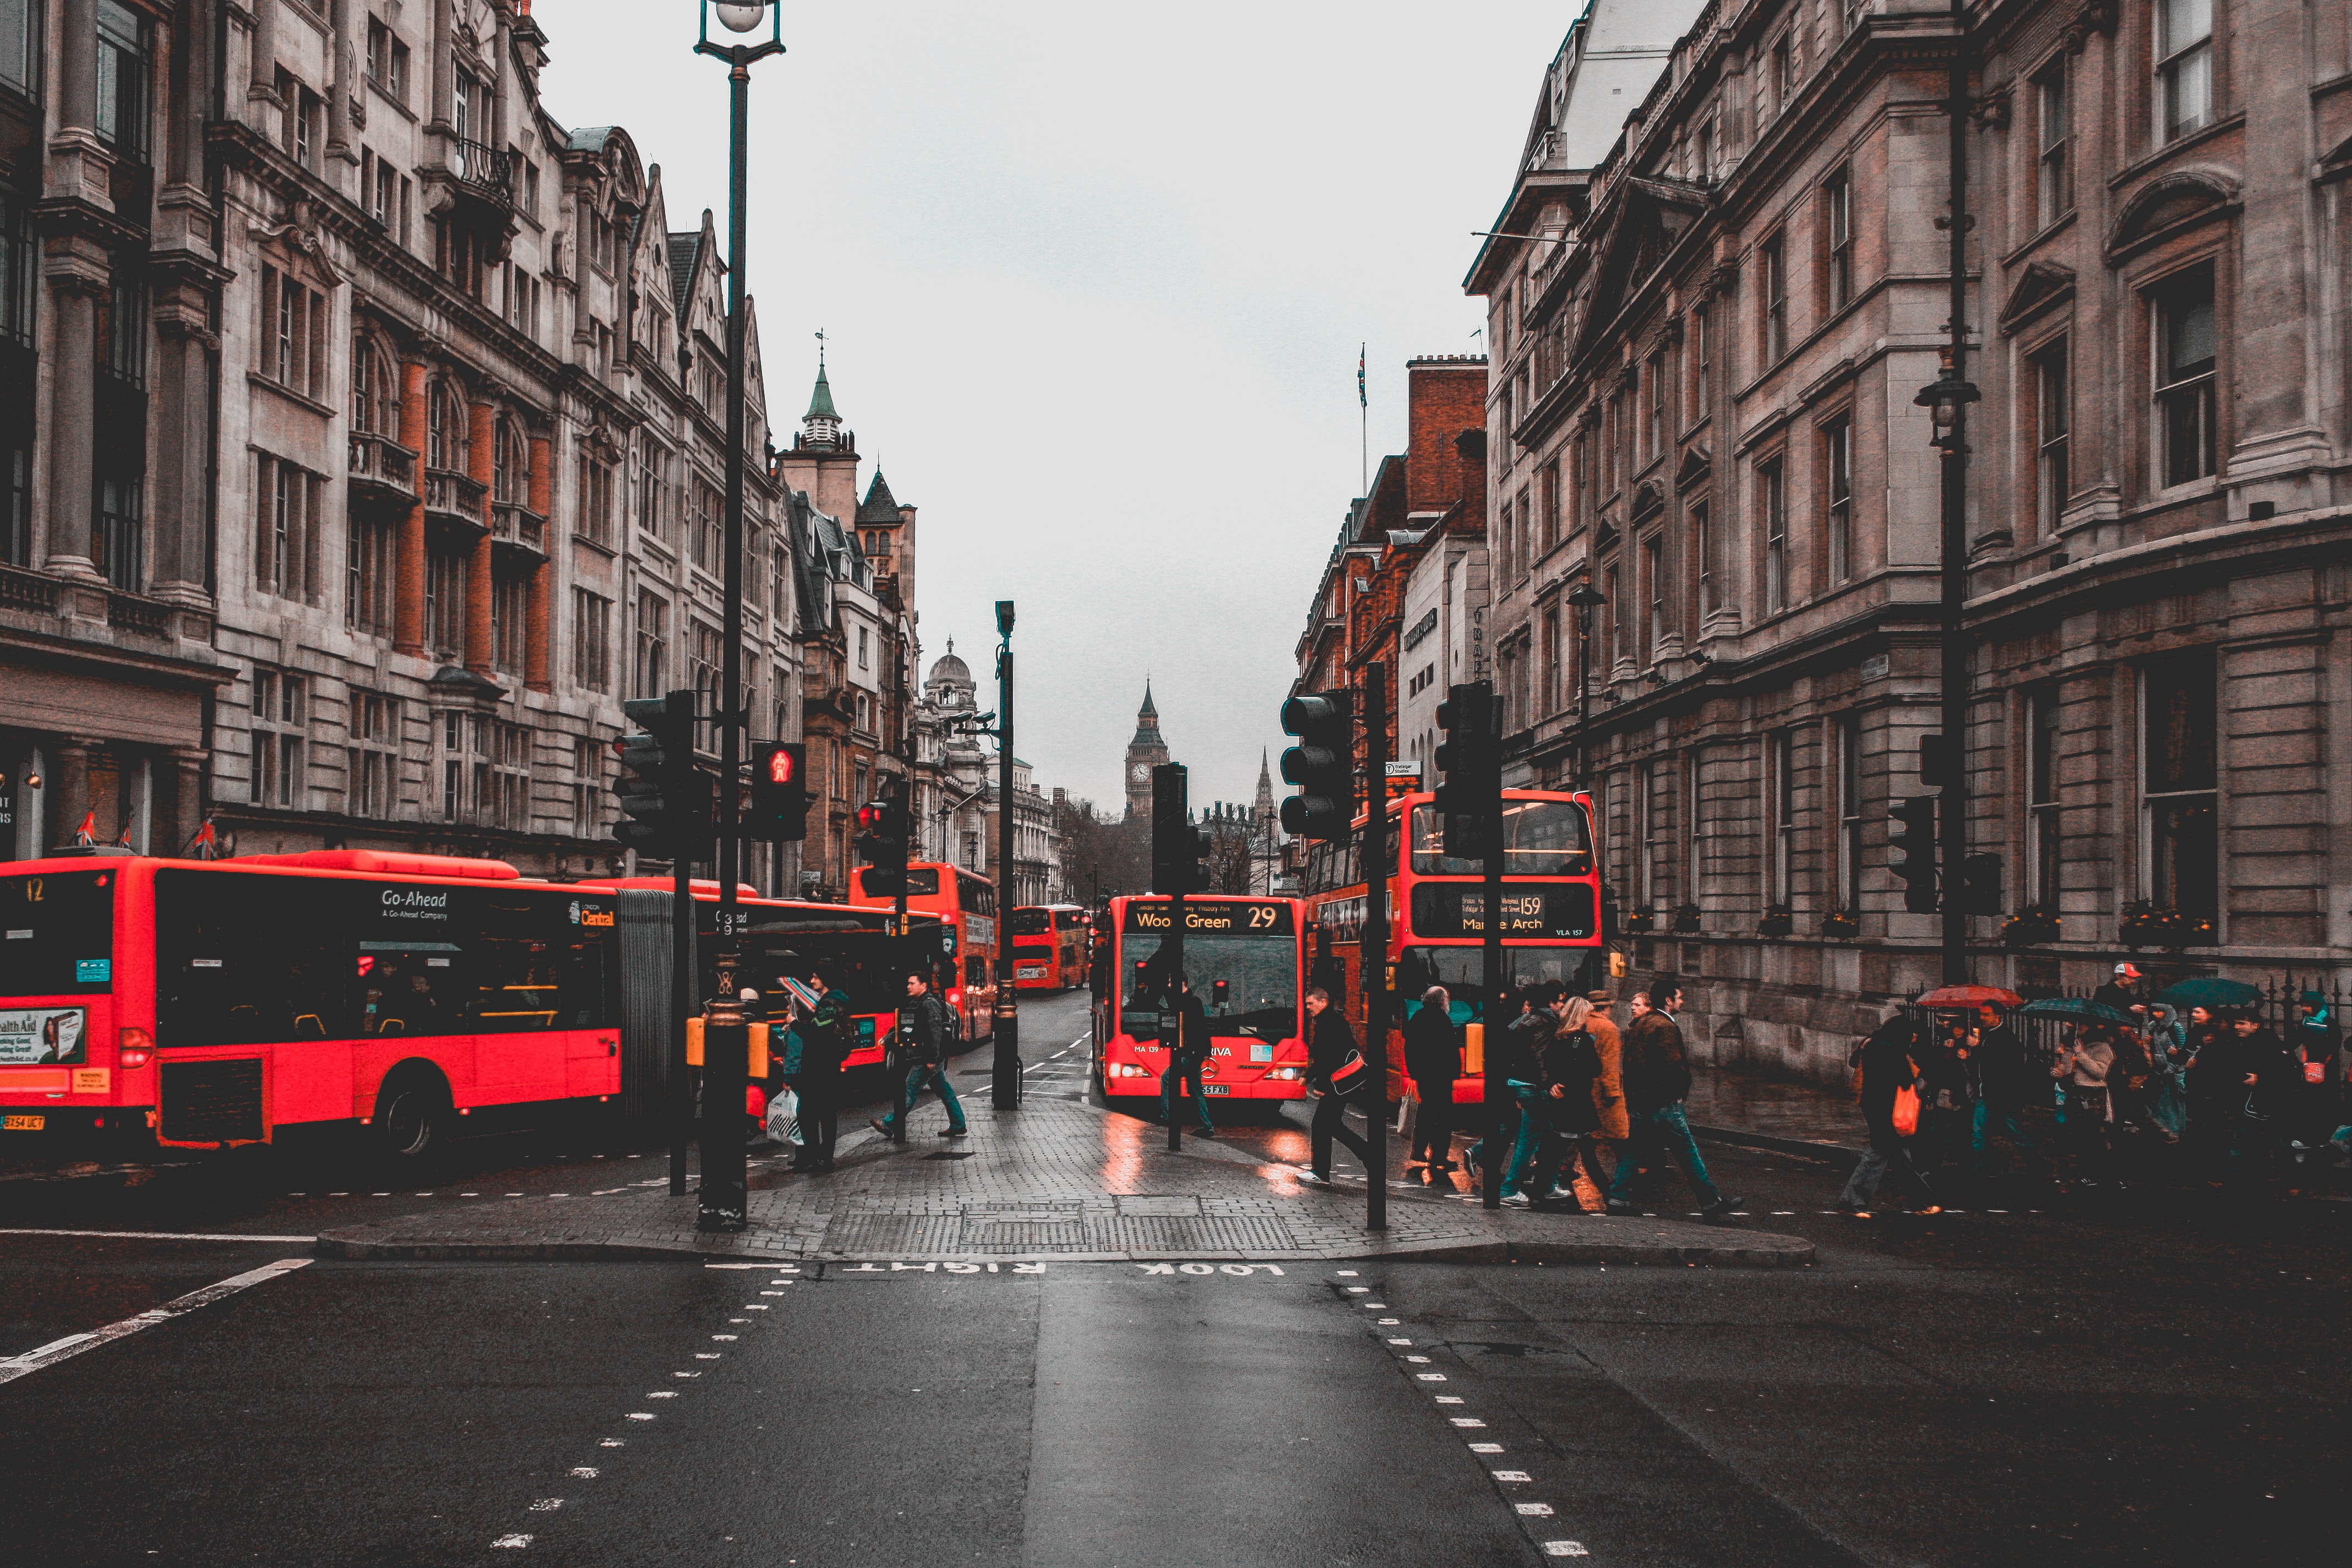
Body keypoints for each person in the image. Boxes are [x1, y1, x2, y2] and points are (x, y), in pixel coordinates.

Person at [1605, 977, 1738, 1217]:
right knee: (1687, 1152)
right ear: (1668, 1001)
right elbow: (1673, 1066)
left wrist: (1633, 1098)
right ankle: (1710, 1202)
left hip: (1641, 1102)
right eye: (1679, 997)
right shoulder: (1665, 1027)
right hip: (1663, 1103)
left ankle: (1617, 1198)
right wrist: (1678, 1094)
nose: (1682, 1000)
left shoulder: (1637, 1025)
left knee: (1634, 1152)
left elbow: (1631, 1066)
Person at [1838, 1017, 1941, 1215]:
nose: (1914, 1037)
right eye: (1912, 1033)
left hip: (1872, 1104)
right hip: (1890, 1108)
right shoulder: (1895, 1050)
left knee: (1899, 1154)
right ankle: (1851, 1202)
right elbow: (1905, 1082)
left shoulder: (1871, 1044)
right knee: (1878, 1153)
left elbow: (1854, 1063)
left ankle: (1924, 1202)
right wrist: (1922, 1075)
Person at [873, 971, 967, 1142]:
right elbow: (905, 1024)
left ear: (923, 985)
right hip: (927, 1057)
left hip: (927, 1058)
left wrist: (932, 1059)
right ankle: (958, 1124)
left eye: (912, 983)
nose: (908, 986)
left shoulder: (929, 1004)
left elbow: (935, 1032)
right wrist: (887, 1038)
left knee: (909, 1089)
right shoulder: (917, 1003)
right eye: (908, 983)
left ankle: (890, 1124)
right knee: (946, 1092)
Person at [1538, 994, 1609, 1209]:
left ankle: (1539, 1192)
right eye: (1587, 1014)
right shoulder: (1583, 1040)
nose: (1589, 1018)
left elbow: (1547, 1064)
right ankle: (1610, 1196)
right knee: (1582, 1153)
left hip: (1563, 1103)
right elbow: (1595, 1069)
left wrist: (1553, 1083)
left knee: (1558, 1151)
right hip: (1577, 1104)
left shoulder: (1557, 1038)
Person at [1499, 982, 1565, 1207]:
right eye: (1560, 1001)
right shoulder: (1544, 1023)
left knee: (1545, 1139)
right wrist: (1549, 1084)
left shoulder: (1525, 1020)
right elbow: (1540, 1057)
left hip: (1523, 1084)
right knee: (1529, 1142)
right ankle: (1509, 1190)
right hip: (1535, 1087)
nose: (1562, 1005)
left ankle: (1547, 1184)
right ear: (1551, 1002)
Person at [1298, 984, 1370, 1186]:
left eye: (1311, 1004)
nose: (1308, 1007)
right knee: (1332, 1125)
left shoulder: (1328, 1023)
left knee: (1321, 1124)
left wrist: (1322, 1085)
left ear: (1324, 1002)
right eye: (1307, 1004)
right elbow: (1325, 1057)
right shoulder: (1330, 1021)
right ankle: (1369, 1156)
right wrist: (1310, 1076)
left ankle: (1321, 1172)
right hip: (1341, 1082)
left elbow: (1329, 1059)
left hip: (1337, 1084)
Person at [1969, 1004, 2046, 1181]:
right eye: (1981, 1014)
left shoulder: (2006, 1038)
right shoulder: (1986, 1034)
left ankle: (2038, 1164)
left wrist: (1977, 1048)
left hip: (2004, 1096)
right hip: (1986, 1094)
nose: (1982, 1017)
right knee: (1977, 1132)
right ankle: (1979, 1171)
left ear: (1997, 1016)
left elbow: (2001, 1066)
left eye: (1986, 1014)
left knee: (2015, 1132)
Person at [788, 965, 852, 1170]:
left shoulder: (829, 1004)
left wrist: (794, 1024)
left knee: (809, 1114)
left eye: (816, 977)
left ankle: (818, 1158)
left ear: (826, 979)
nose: (812, 981)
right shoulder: (836, 1001)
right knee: (826, 1112)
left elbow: (817, 1035)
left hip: (819, 1066)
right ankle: (823, 1156)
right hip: (829, 1063)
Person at [2230, 1010, 2299, 1192]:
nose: (2237, 1027)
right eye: (2236, 1023)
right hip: (2251, 1103)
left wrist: (2260, 1079)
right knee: (2248, 1141)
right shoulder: (2241, 1043)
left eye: (2242, 1023)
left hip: (2272, 1102)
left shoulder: (2267, 1044)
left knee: (2278, 1142)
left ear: (2255, 1025)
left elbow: (2287, 1074)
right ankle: (2247, 1181)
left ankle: (2291, 1183)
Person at [1402, 985, 1460, 1175]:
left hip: (1424, 1075)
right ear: (1442, 1002)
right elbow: (1449, 1050)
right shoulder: (1443, 1020)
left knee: (1426, 1112)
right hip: (1440, 1076)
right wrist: (1455, 1071)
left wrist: (1415, 1072)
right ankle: (1439, 1156)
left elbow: (1409, 1048)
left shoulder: (1418, 1018)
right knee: (1444, 1117)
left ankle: (1418, 1151)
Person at [2052, 1026, 2117, 1189]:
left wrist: (2080, 1053)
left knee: (2095, 1137)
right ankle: (2073, 1176)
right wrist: (2059, 1071)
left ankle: (2105, 1176)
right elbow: (2068, 1070)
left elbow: (2099, 1072)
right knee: (2074, 1137)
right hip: (2075, 1095)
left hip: (2093, 1096)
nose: (2078, 1029)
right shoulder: (2072, 1045)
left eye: (2083, 1026)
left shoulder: (2102, 1048)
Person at [2288, 990, 2340, 1187]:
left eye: (2306, 1005)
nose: (2303, 1008)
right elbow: (2296, 1040)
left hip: (2326, 1071)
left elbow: (2334, 1045)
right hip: (2310, 1070)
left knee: (2324, 1104)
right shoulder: (2306, 1022)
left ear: (2315, 1005)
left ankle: (2322, 1137)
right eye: (2302, 1005)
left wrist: (2321, 1063)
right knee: (2308, 1104)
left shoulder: (2329, 1023)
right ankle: (2309, 1137)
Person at [1158, 973, 1216, 1138]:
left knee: (1167, 1078)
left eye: (1171, 982)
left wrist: (1206, 1052)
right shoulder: (1181, 1000)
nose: (1169, 985)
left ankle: (1167, 1116)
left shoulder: (1192, 1002)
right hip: (1192, 1053)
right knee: (1196, 1090)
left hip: (1190, 1054)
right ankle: (1207, 1127)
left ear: (1181, 983)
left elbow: (1201, 1028)